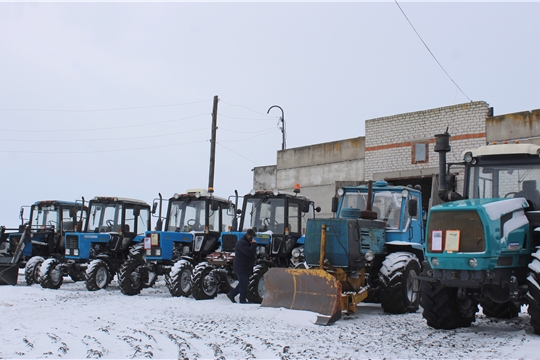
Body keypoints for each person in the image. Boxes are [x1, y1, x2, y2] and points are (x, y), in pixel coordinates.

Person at [227, 228, 257, 304]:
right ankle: (242, 300)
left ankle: (232, 294)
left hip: (245, 266)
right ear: (248, 236)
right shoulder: (242, 243)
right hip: (242, 266)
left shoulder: (246, 242)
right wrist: (254, 245)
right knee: (244, 284)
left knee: (243, 283)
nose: (253, 238)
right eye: (252, 237)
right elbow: (248, 252)